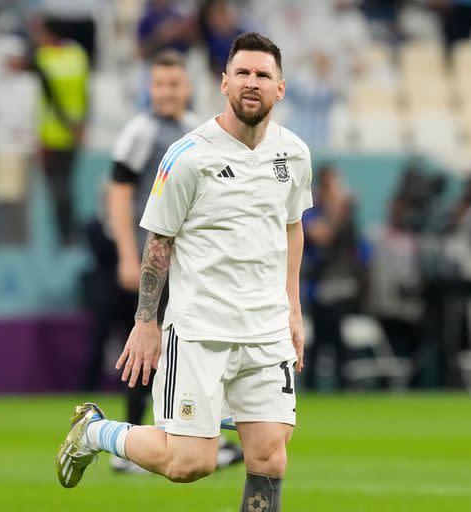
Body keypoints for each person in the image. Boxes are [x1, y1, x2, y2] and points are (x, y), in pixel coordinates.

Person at [56, 33, 312, 511]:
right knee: (190, 462)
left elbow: (292, 229)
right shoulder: (189, 155)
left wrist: (293, 309)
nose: (251, 83)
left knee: (270, 455)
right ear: (223, 83)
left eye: (262, 75)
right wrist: (146, 322)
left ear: (281, 88)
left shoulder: (294, 155)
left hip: (266, 329)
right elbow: (159, 242)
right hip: (199, 330)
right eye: (242, 73)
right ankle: (93, 432)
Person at [81, 50, 242, 472]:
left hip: (186, 262)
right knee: (146, 346)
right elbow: (117, 196)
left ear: (187, 88)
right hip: (148, 256)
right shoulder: (140, 132)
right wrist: (126, 255)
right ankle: (129, 439)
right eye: (159, 84)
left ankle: (193, 435)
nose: (167, 92)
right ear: (149, 89)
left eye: (174, 84)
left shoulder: (195, 129)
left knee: (188, 344)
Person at [8, 17, 89, 245]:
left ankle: (64, 237)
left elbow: (22, 67)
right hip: (74, 133)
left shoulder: (44, 57)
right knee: (67, 187)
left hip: (52, 136)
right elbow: (85, 92)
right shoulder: (77, 55)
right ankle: (71, 233)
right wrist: (81, 126)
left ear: (49, 34)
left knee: (56, 189)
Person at [302, 163, 364, 390]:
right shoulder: (311, 211)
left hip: (340, 286)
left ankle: (342, 383)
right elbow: (322, 237)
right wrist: (339, 211)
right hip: (318, 287)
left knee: (337, 336)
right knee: (321, 338)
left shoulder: (344, 217)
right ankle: (313, 384)